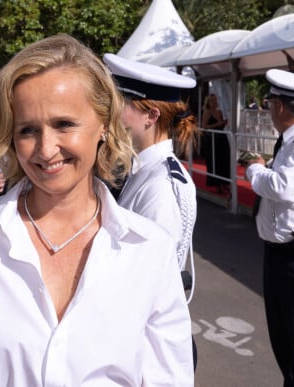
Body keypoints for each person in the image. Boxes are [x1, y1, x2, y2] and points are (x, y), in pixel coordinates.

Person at [0, 34, 193, 386]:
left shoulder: (149, 250)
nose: (45, 148)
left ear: (103, 124)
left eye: (64, 124)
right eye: (27, 130)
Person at [104, 53, 199, 367]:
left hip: (143, 343)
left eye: (120, 103)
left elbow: (151, 282)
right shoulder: (144, 169)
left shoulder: (161, 186)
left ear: (151, 116)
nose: (111, 112)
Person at [246, 69, 294, 387]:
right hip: (284, 255)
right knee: (287, 346)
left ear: (281, 107)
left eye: (271, 103)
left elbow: (285, 187)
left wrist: (255, 171)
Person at [201, 93, 230, 193]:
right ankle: (217, 184)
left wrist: (224, 123)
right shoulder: (207, 112)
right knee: (214, 161)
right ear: (208, 102)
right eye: (212, 100)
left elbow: (222, 124)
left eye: (215, 100)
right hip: (211, 139)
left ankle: (225, 182)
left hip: (221, 138)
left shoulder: (220, 112)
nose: (214, 102)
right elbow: (204, 126)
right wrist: (218, 124)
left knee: (224, 160)